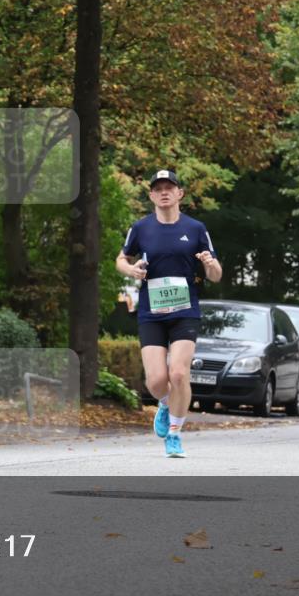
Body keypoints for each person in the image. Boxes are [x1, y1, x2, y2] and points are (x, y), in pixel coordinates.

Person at [115, 169, 222, 458]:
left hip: (185, 311)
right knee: (156, 380)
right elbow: (121, 259)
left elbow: (215, 275)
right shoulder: (141, 228)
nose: (164, 192)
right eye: (158, 188)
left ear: (179, 194)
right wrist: (131, 269)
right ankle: (164, 404)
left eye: (169, 187)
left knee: (178, 373)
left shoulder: (196, 228)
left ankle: (175, 433)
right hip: (151, 311)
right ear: (151, 195)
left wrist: (209, 263)